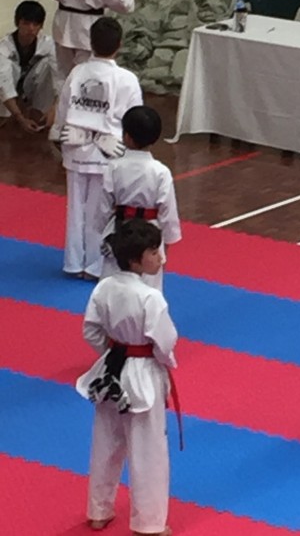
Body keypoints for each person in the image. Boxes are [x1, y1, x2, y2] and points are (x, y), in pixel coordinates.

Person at [76, 219, 177, 536]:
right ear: (136, 258)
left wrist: (112, 348)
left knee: (106, 443)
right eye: (154, 252)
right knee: (148, 450)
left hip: (110, 371)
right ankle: (149, 523)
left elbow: (91, 331)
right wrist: (163, 363)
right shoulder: (151, 298)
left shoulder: (103, 287)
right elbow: (165, 342)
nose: (161, 258)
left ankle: (98, 511)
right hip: (142, 373)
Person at [51, 16, 142, 280]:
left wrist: (57, 136)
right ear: (120, 45)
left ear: (90, 43)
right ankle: (93, 266)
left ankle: (74, 263)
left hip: (76, 148)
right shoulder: (126, 79)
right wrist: (134, 149)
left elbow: (63, 109)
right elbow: (133, 118)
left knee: (76, 208)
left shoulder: (77, 72)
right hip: (108, 152)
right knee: (100, 212)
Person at [97, 105, 182, 291]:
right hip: (149, 233)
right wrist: (166, 244)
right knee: (148, 290)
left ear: (126, 136)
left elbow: (102, 208)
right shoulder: (161, 172)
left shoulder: (113, 167)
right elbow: (168, 213)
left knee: (112, 284)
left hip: (120, 230)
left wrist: (101, 231)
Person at [0, 0, 58, 132]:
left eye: (35, 24)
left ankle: (40, 112)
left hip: (31, 88)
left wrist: (55, 108)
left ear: (41, 26)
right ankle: (4, 115)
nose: (31, 28)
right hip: (10, 90)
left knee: (49, 65)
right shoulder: (3, 48)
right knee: (7, 69)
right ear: (17, 23)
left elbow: (59, 76)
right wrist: (20, 119)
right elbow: (4, 85)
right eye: (26, 23)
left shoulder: (48, 44)